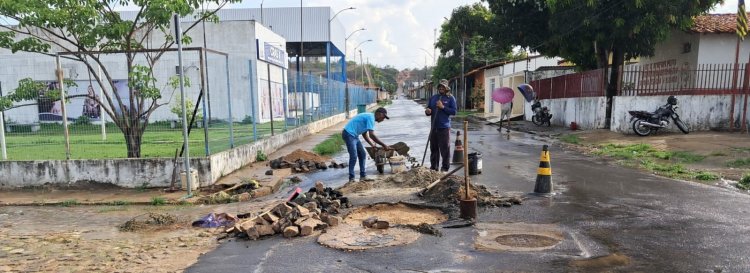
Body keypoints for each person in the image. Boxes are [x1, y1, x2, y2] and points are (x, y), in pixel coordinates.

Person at [341, 107, 392, 182]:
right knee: (354, 156)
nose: (383, 119)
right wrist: (384, 145)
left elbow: (365, 134)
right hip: (349, 134)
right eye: (383, 117)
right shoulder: (371, 118)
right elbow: (372, 135)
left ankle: (363, 176)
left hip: (354, 136)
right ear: (379, 114)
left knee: (362, 154)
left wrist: (372, 145)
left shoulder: (370, 118)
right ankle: (351, 178)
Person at [425, 79, 457, 172]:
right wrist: (428, 111)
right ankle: (434, 167)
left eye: (443, 87)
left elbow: (454, 111)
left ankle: (445, 168)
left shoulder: (450, 98)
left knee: (445, 149)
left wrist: (443, 107)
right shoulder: (434, 97)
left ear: (447, 88)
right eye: (440, 87)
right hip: (434, 127)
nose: (441, 88)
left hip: (444, 127)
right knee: (434, 149)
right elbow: (428, 109)